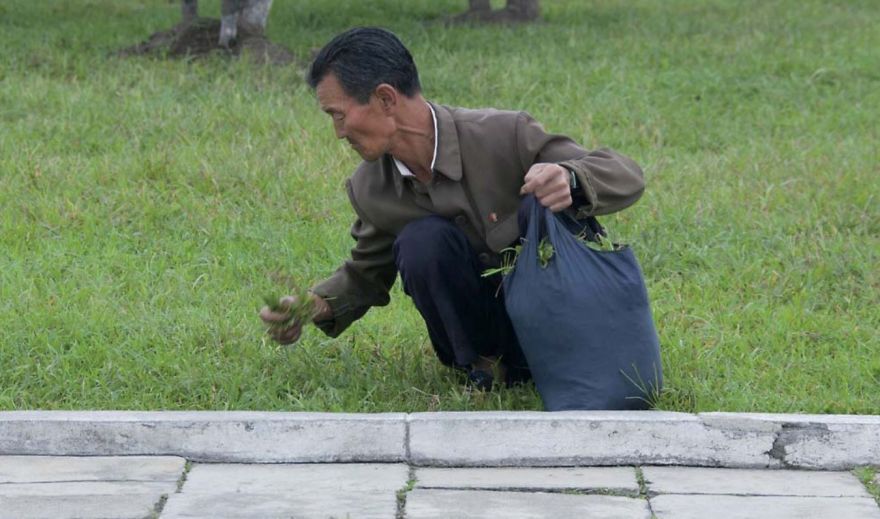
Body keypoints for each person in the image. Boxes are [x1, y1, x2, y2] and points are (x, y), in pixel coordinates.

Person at [260, 27, 645, 390]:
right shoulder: (370, 187)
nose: (339, 133)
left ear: (385, 98)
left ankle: (561, 355)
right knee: (421, 241)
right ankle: (485, 366)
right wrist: (314, 306)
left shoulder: (503, 133)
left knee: (537, 202)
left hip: (564, 327)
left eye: (338, 115)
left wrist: (570, 178)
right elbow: (366, 274)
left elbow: (625, 175)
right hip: (491, 342)